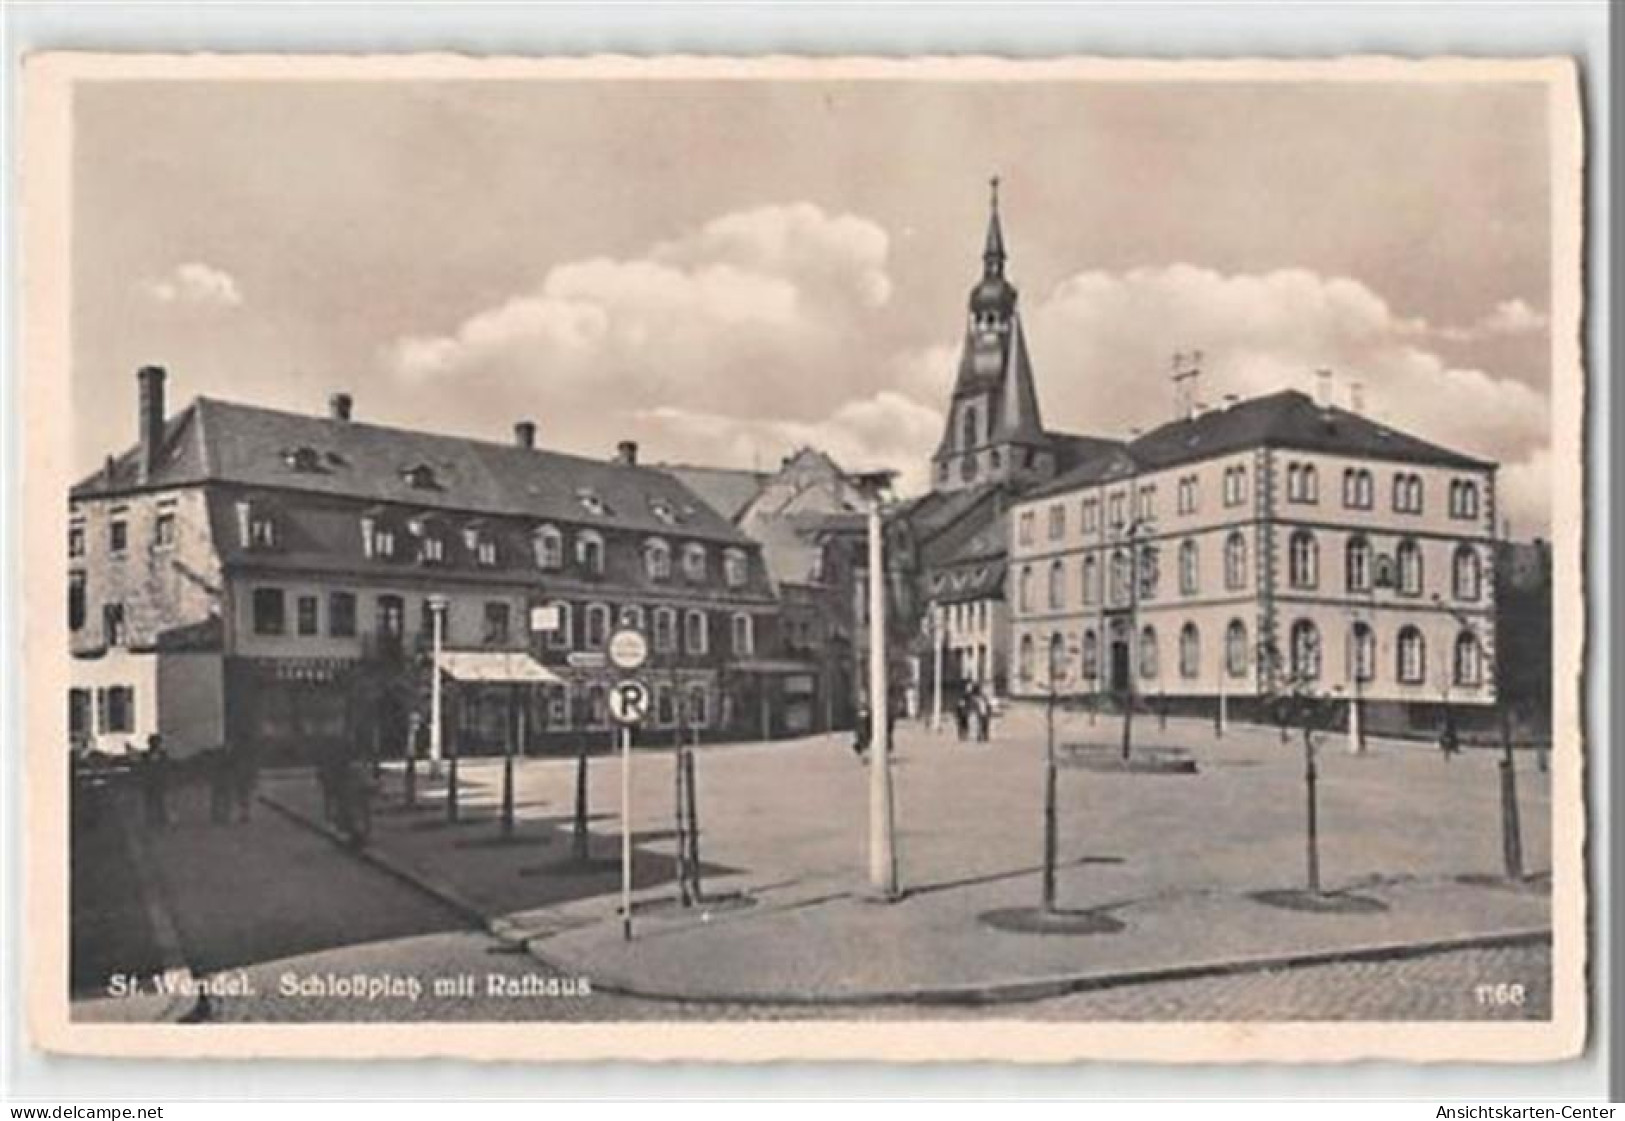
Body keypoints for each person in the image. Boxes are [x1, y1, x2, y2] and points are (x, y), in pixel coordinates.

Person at [140, 733, 170, 828]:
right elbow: (143, 766)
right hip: (150, 781)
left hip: (157, 781)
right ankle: (152, 821)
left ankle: (161, 821)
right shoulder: (146, 755)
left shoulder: (162, 755)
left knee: (159, 802)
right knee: (151, 802)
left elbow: (165, 767)